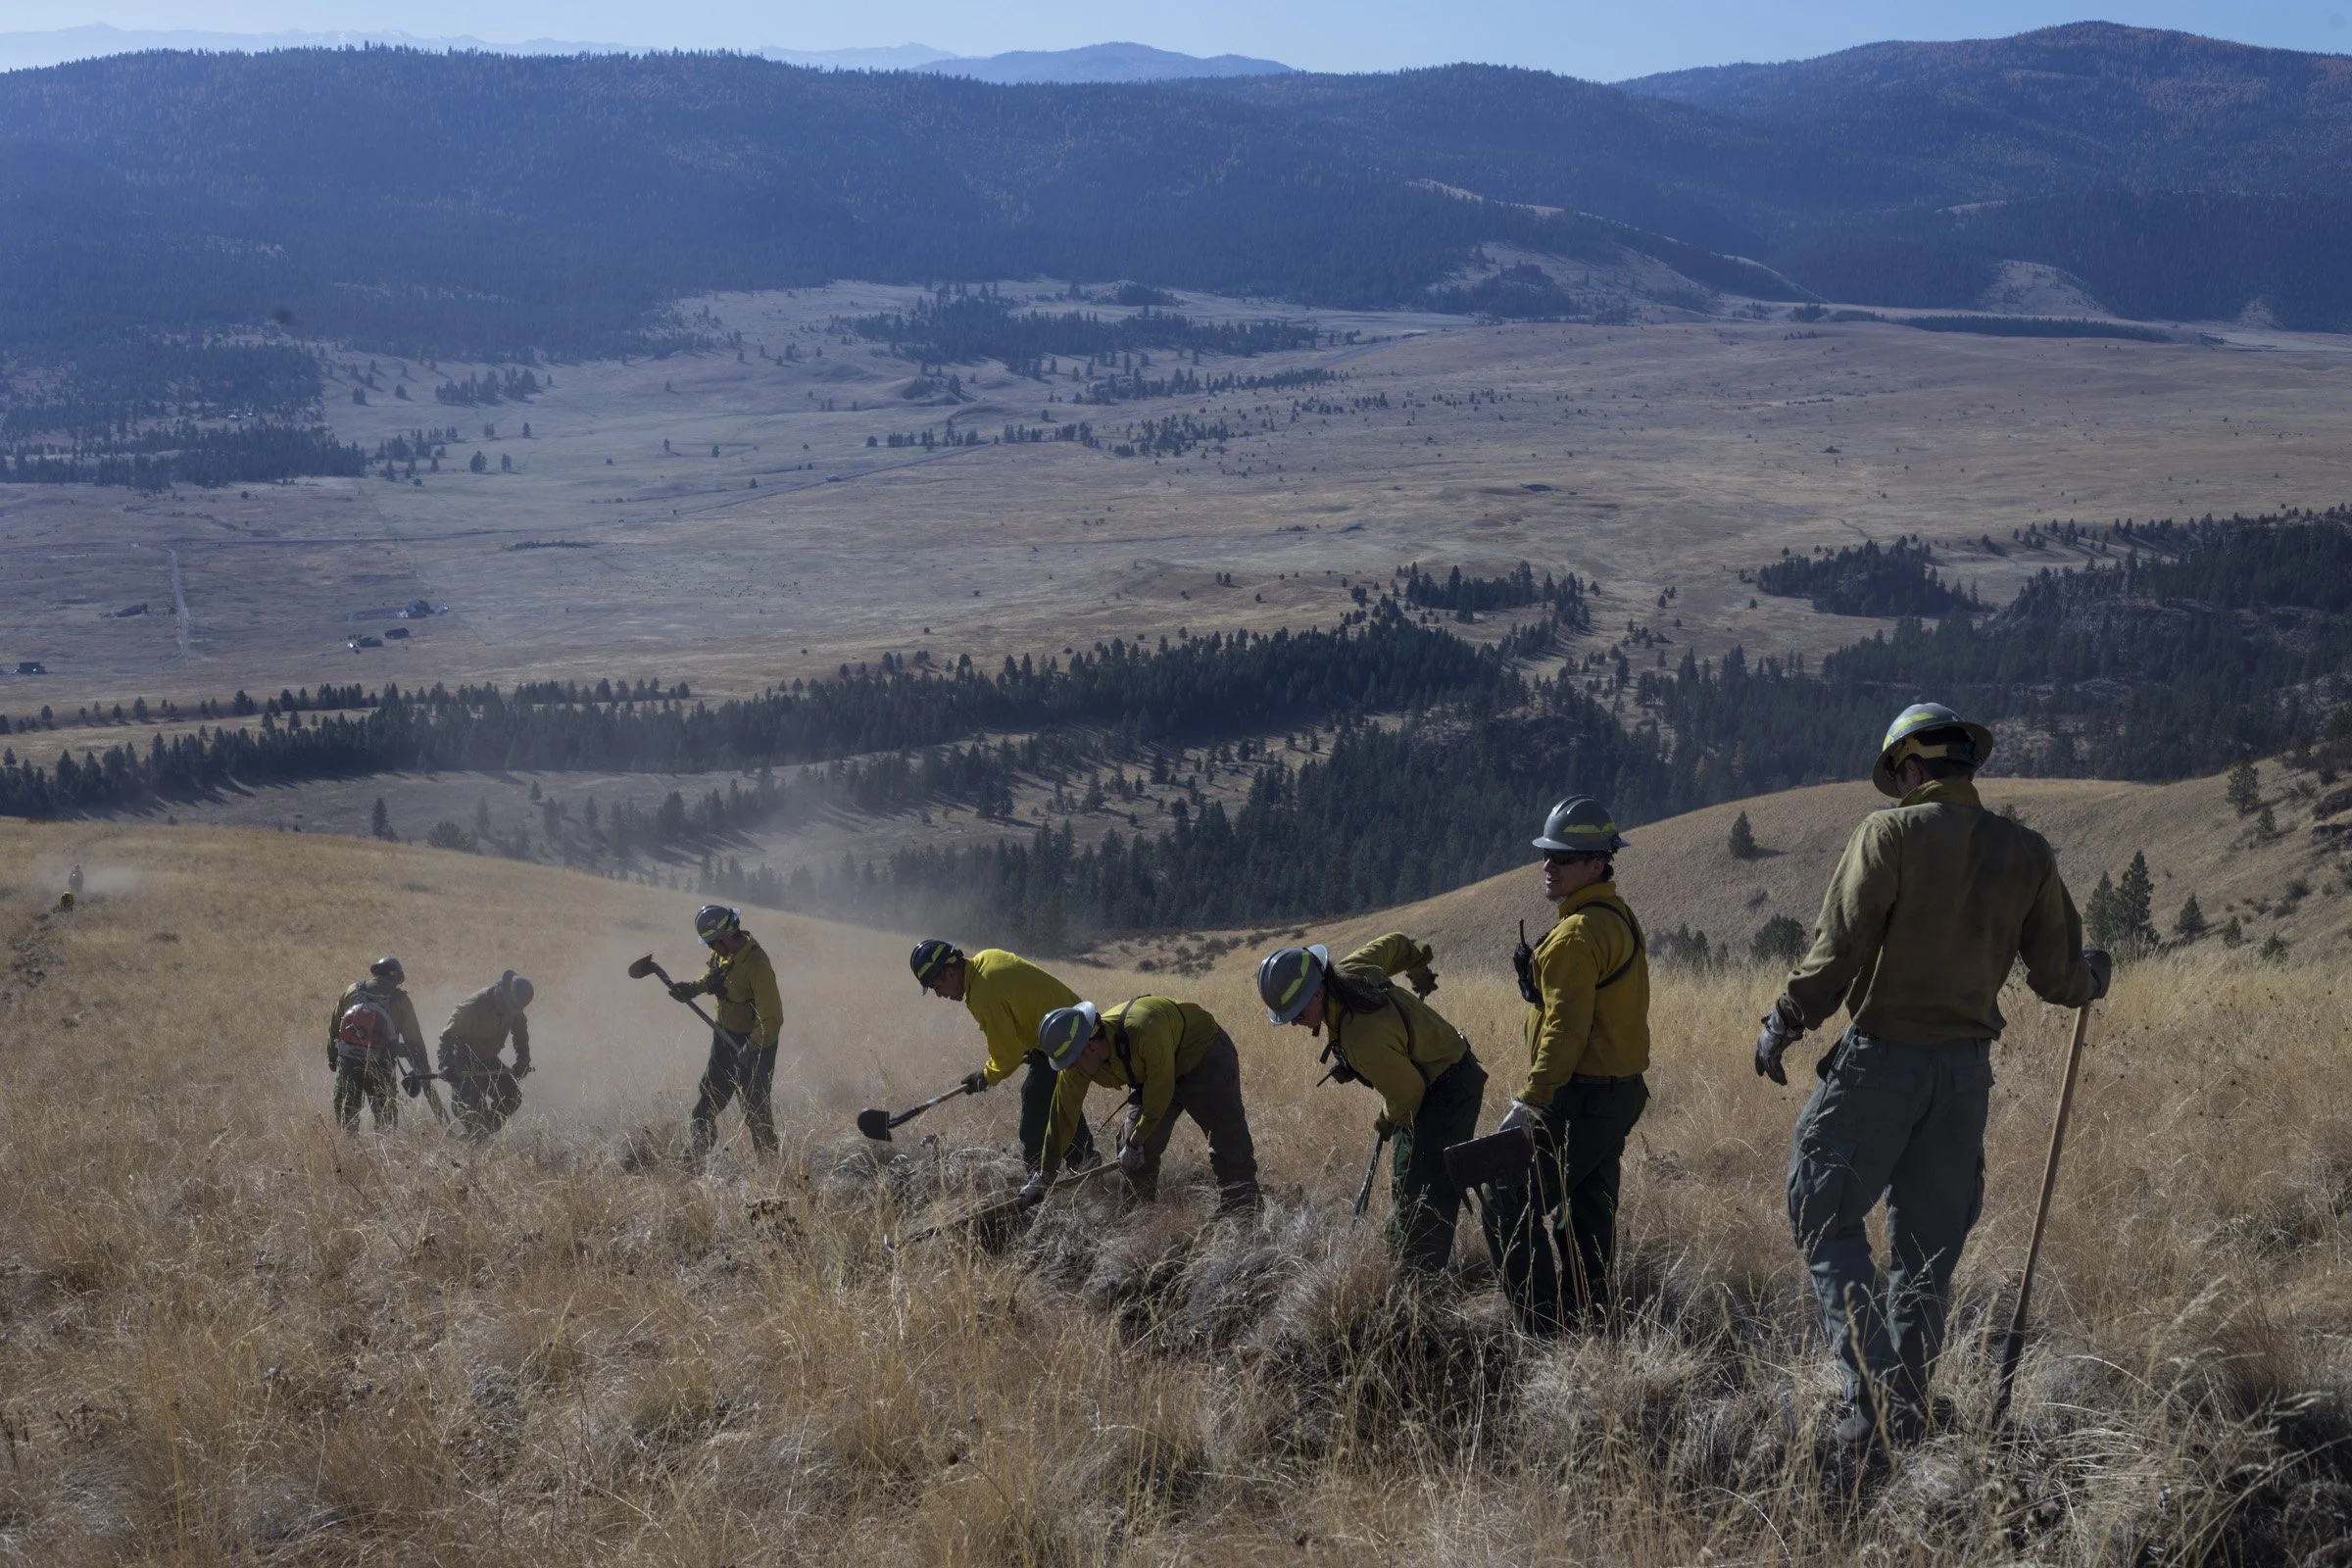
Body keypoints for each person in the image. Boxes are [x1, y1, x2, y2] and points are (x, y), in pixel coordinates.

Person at [1755, 703, 2112, 1453]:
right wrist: (2092, 979)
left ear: (1912, 767)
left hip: (1882, 1060)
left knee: (1820, 1210)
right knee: (1926, 1251)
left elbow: (1838, 949)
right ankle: (1909, 1409)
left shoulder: (1888, 835)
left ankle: (1878, 1402)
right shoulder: (2027, 851)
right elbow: (2058, 979)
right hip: (1965, 1080)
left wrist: (1785, 1020)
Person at [1480, 796, 1651, 1335]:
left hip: (1579, 1095)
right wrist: (1539, 991)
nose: (1548, 866)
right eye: (1547, 854)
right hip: (1618, 1094)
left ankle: (1542, 1330)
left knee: (1506, 1199)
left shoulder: (1576, 933)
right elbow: (1580, 1010)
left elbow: (1566, 1031)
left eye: (1563, 857)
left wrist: (1530, 1101)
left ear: (1597, 864)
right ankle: (1592, 1319)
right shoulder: (1613, 915)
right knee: (1586, 1209)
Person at [1258, 934, 1485, 1274]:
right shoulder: (1350, 970)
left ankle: (1418, 1280)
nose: (1293, 1022)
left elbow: (1407, 1094)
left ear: (1318, 993)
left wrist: (1385, 1120)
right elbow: (1395, 943)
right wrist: (1418, 969)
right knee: (1407, 1176)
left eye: (1297, 1011)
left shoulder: (1360, 1035)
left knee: (1424, 1188)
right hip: (1435, 1083)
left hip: (1448, 1091)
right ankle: (1400, 1260)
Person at [1024, 994, 1259, 1216]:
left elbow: (1160, 1094)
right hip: (1155, 1073)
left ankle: (1242, 1213)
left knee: (1228, 1138)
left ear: (1091, 1047)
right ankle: (1138, 1219)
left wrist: (1135, 1141)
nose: (1073, 1070)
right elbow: (1062, 1116)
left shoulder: (1144, 1030)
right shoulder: (1076, 1061)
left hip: (1203, 1055)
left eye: (1073, 1063)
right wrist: (1045, 1175)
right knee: (1136, 1156)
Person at [909, 939, 1099, 1170]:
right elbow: (1022, 1003)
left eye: (937, 987)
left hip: (1068, 1039)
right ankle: (1085, 1162)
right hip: (1071, 1026)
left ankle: (1036, 1180)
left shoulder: (983, 995)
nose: (940, 995)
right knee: (1053, 1099)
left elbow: (1007, 1058)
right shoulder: (986, 958)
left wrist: (984, 1077)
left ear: (949, 972)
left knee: (1034, 1105)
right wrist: (1028, 1046)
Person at [670, 904, 783, 1157]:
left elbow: (772, 1019)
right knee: (707, 1101)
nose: (710, 948)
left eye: (712, 942)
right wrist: (693, 988)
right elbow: (715, 976)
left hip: (756, 1045)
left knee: (756, 1111)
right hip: (724, 1036)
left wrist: (750, 1049)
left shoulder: (757, 964)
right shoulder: (724, 954)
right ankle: (698, 1155)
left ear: (724, 938)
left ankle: (771, 1168)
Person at [329, 956, 430, 1131]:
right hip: (380, 1064)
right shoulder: (400, 1000)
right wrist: (422, 1068)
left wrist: (332, 1058)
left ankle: (348, 1148)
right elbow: (414, 1039)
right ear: (395, 977)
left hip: (348, 1062)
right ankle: (383, 1150)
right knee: (386, 1116)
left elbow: (335, 1027)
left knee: (346, 1113)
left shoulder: (353, 990)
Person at [438, 969, 534, 1137]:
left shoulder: (513, 1007)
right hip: (463, 1058)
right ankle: (477, 1132)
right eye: (507, 1006)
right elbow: (447, 1037)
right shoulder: (472, 1007)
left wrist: (523, 1060)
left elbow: (520, 1032)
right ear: (501, 992)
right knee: (469, 1107)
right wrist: (447, 1065)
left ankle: (480, 1134)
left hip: (488, 1058)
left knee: (512, 1096)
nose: (508, 1010)